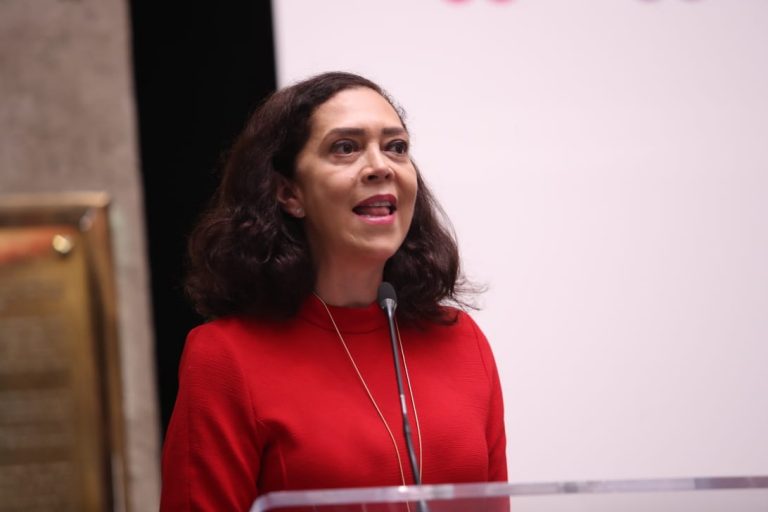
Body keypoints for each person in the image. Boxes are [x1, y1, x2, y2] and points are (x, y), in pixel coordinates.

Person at [160, 71, 507, 511]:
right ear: (289, 193)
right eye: (346, 147)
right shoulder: (226, 358)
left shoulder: (462, 341)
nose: (381, 166)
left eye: (396, 147)